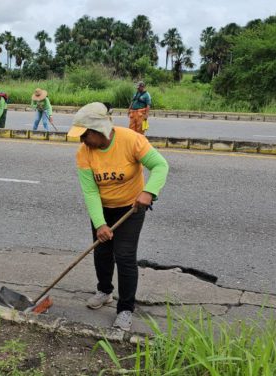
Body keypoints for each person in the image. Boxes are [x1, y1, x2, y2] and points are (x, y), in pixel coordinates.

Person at [67, 102, 169, 331]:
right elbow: (90, 191)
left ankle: (125, 309)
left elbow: (160, 166)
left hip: (131, 208)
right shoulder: (84, 153)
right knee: (101, 251)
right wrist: (100, 223)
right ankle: (104, 291)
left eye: (85, 135)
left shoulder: (131, 140)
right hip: (103, 209)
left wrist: (148, 192)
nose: (82, 141)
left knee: (124, 256)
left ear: (99, 130)